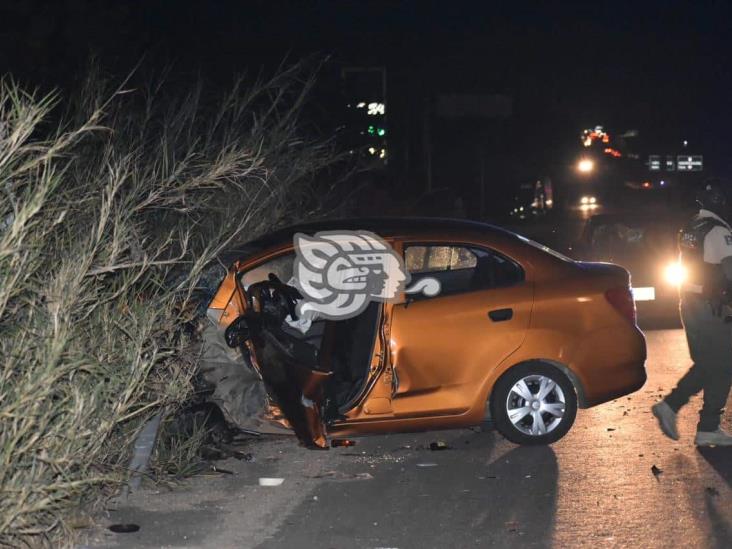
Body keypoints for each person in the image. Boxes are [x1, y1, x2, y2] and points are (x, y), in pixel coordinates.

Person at [653, 180, 732, 446]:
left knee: (711, 363)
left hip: (689, 301)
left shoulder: (692, 226)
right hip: (713, 307)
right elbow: (730, 273)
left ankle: (703, 424)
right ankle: (688, 415)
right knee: (722, 364)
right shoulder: (719, 232)